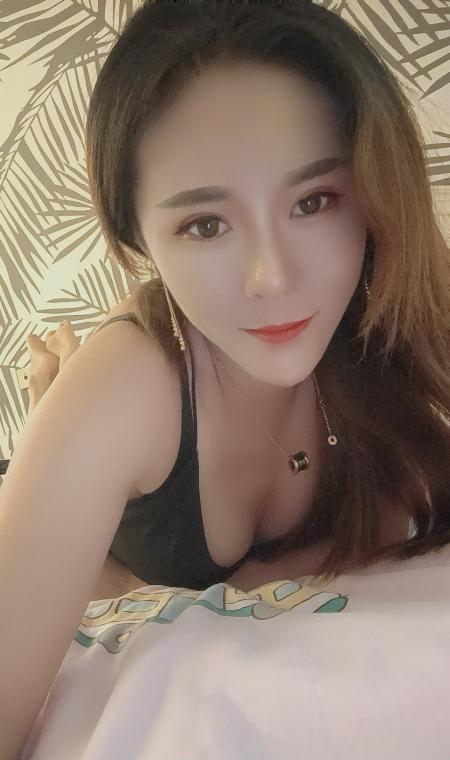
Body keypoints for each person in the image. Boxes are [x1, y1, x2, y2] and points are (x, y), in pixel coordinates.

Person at [0, 0, 449, 757]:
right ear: (138, 238)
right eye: (205, 225)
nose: (273, 278)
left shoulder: (391, 329)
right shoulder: (127, 389)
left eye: (314, 201)